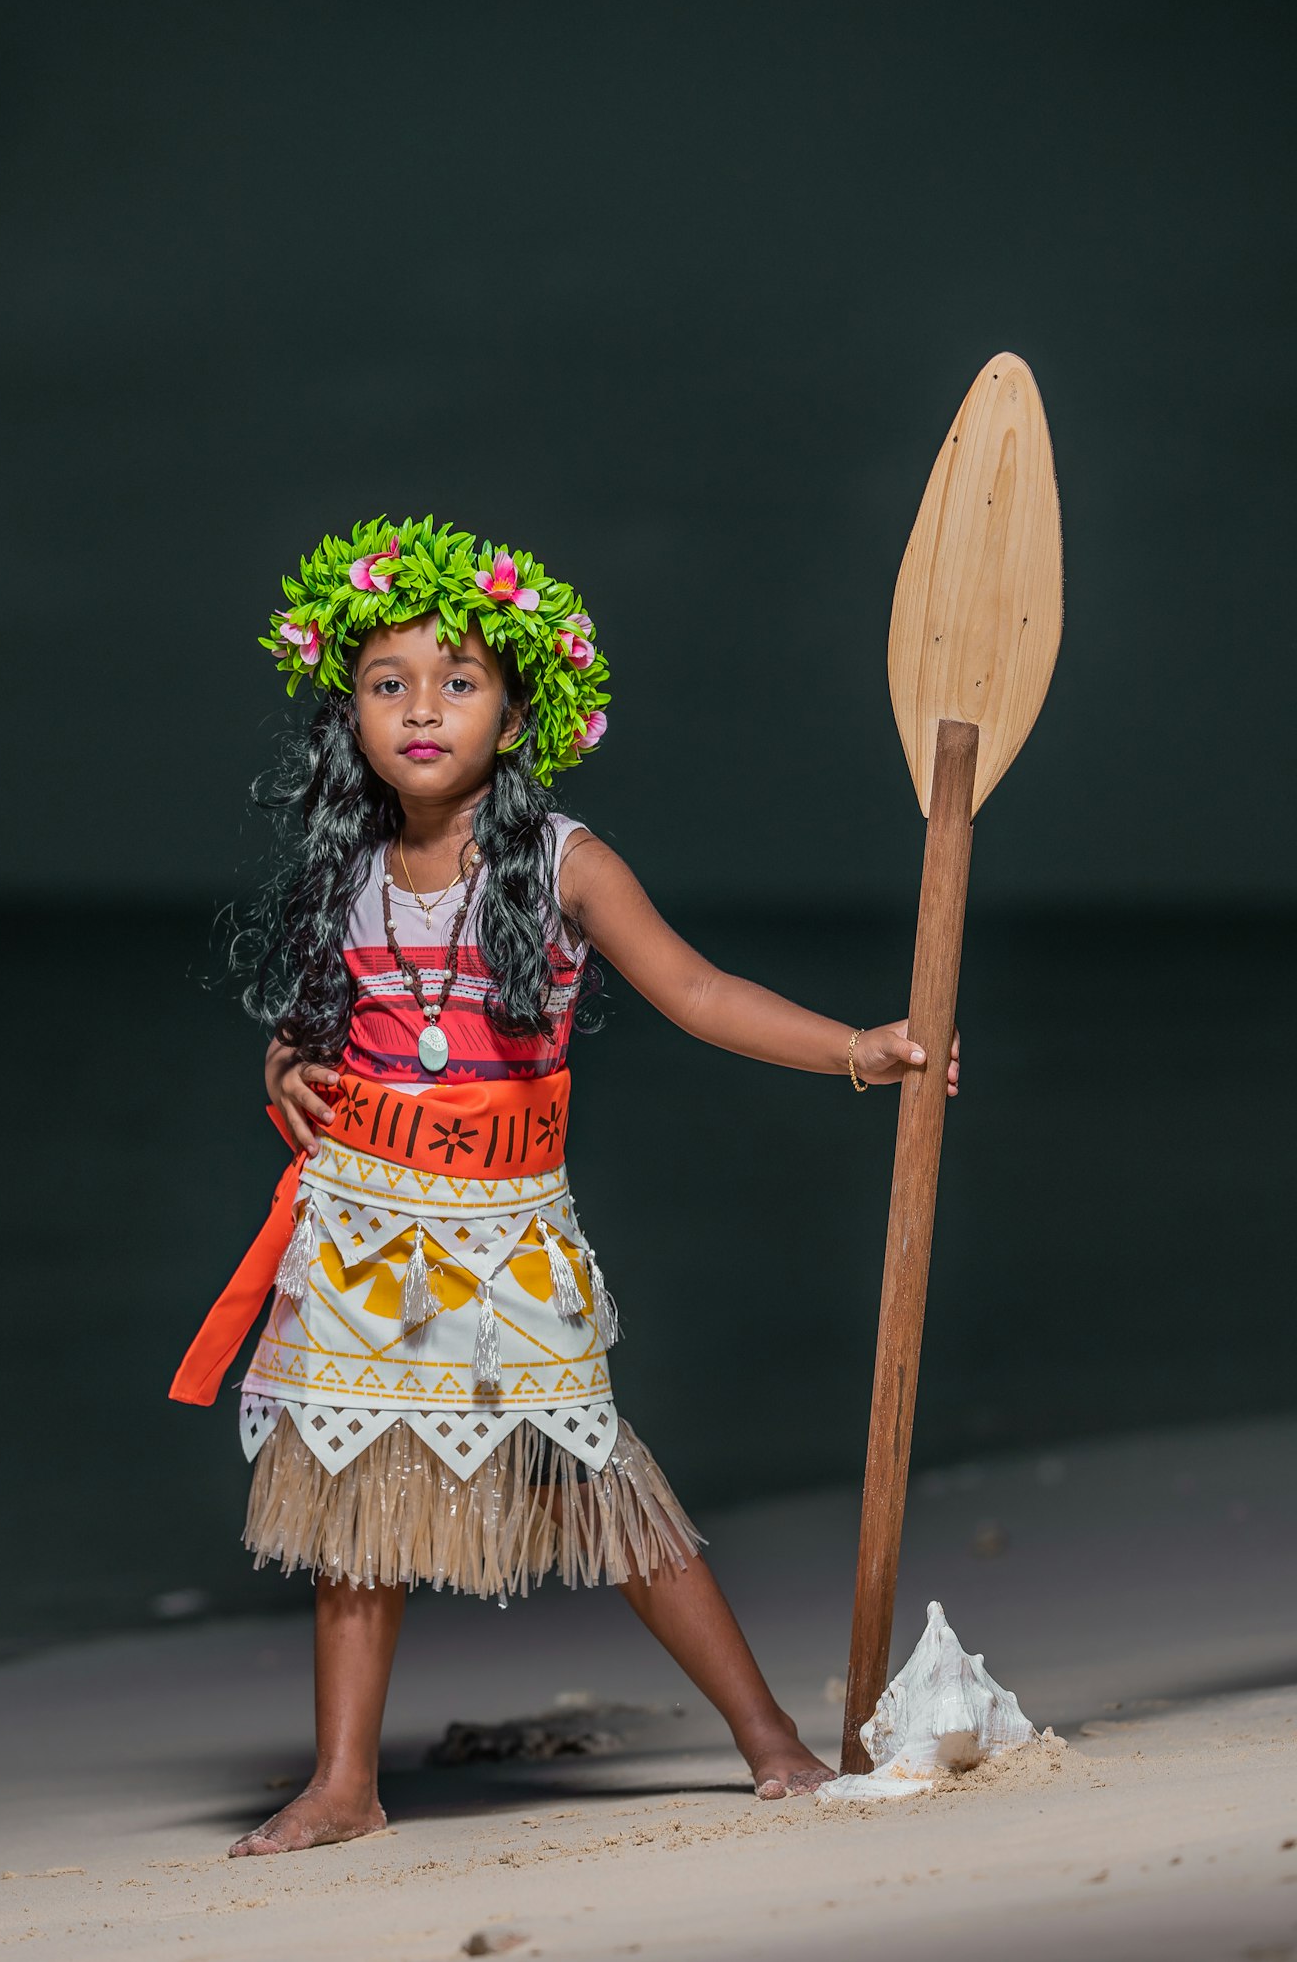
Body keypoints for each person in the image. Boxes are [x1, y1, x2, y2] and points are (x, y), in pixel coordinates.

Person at [169, 515, 960, 1856]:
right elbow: (327, 1030)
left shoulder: (561, 864)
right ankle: (344, 1782)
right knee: (350, 1508)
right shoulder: (346, 871)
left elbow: (698, 990)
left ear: (519, 707)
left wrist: (856, 1051)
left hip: (501, 1237)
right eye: (387, 683)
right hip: (361, 1233)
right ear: (344, 710)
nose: (422, 709)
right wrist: (285, 1060)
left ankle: (767, 1737)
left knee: (603, 1484)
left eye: (459, 681)